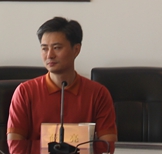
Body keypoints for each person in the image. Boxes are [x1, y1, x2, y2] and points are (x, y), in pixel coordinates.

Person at [7, 17, 117, 146]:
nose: (49, 55)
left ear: (76, 50)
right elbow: (15, 145)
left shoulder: (98, 93)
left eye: (57, 48)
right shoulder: (24, 92)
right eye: (44, 48)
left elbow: (108, 145)